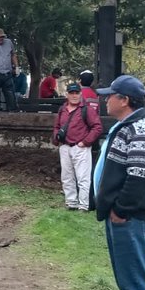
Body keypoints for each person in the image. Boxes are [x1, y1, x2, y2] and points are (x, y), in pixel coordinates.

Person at [93, 74, 145, 290]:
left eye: (110, 96)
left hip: (132, 219)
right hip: (126, 217)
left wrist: (121, 210)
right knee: (129, 283)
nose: (106, 101)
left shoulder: (140, 128)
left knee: (136, 286)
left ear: (124, 100)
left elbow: (140, 177)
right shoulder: (128, 126)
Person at [53, 83, 103, 211]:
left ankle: (83, 205)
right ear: (67, 94)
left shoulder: (86, 110)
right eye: (71, 93)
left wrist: (85, 142)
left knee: (83, 178)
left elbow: (97, 127)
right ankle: (71, 203)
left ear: (80, 94)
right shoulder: (62, 109)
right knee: (67, 177)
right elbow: (57, 126)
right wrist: (56, 139)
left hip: (80, 147)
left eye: (76, 93)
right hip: (65, 146)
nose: (74, 95)